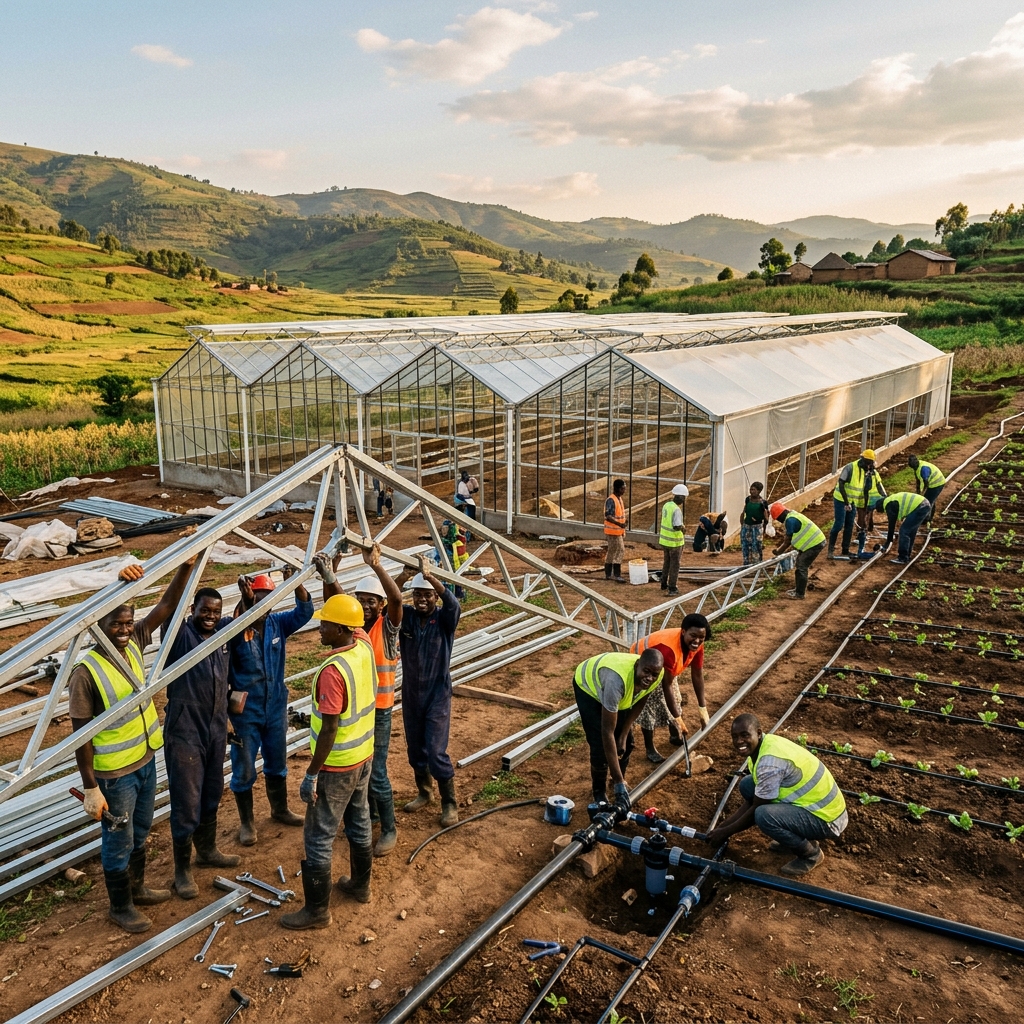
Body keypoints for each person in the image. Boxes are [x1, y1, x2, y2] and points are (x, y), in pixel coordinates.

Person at [69, 559, 196, 932]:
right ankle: (119, 905)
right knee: (117, 838)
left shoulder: (135, 643)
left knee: (140, 829)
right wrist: (90, 786)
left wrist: (185, 568)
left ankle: (137, 888)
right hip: (114, 775)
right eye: (116, 625)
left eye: (128, 623)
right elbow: (82, 735)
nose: (124, 630)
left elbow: (167, 606)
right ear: (100, 628)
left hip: (144, 760)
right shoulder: (85, 672)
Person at [280, 594, 377, 930]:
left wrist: (311, 772)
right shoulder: (362, 646)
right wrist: (330, 579)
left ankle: (317, 912)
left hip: (337, 765)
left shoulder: (333, 672)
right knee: (359, 820)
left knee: (319, 835)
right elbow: (351, 614)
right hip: (364, 755)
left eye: (325, 623)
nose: (319, 628)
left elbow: (331, 726)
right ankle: (360, 887)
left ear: (340, 628)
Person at [228, 556, 335, 846]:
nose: (263, 605)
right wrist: (245, 602)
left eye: (268, 600)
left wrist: (296, 583)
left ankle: (279, 809)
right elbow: (229, 642)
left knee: (277, 762)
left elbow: (304, 612)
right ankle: (247, 823)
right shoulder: (235, 628)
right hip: (245, 714)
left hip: (275, 708)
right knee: (245, 769)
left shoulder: (277, 624)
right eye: (258, 599)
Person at [164, 584, 241, 901]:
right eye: (204, 610)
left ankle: (206, 849)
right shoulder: (180, 637)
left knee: (211, 790)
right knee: (187, 799)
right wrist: (184, 575)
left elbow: (246, 618)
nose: (210, 616)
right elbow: (168, 610)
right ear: (192, 610)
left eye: (215, 612)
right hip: (186, 728)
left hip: (215, 725)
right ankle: (182, 871)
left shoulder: (222, 635)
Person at [705, 713, 847, 876]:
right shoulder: (764, 746)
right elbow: (751, 801)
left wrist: (726, 832)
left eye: (745, 735)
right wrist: (722, 828)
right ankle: (791, 839)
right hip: (813, 806)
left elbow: (755, 808)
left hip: (827, 818)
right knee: (748, 784)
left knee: (763, 816)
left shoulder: (769, 763)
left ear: (758, 733)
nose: (739, 742)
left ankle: (810, 854)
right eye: (735, 736)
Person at [396, 555, 461, 827]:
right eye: (417, 595)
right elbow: (391, 602)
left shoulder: (444, 620)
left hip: (437, 694)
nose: (421, 600)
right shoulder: (407, 618)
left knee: (436, 750)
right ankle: (425, 792)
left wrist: (431, 576)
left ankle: (449, 803)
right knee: (415, 749)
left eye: (427, 595)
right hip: (411, 694)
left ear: (435, 597)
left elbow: (454, 603)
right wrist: (402, 576)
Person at [572, 648, 682, 808]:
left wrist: (623, 736)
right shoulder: (616, 682)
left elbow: (640, 701)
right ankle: (599, 792)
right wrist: (619, 783)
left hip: (618, 688)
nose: (649, 678)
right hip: (588, 687)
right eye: (646, 671)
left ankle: (618, 779)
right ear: (638, 665)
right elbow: (607, 731)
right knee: (599, 745)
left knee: (626, 743)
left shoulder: (657, 676)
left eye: (654, 674)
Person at [353, 543, 403, 857]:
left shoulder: (387, 629)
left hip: (380, 710)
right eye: (361, 601)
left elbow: (398, 598)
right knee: (362, 769)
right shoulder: (355, 628)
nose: (365, 606)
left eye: (370, 601)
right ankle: (370, 815)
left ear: (380, 604)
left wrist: (376, 566)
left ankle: (389, 829)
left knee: (378, 772)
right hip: (359, 710)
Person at [630, 613, 711, 763]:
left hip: (666, 668)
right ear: (683, 632)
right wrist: (677, 718)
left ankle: (675, 735)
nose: (697, 641)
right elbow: (666, 685)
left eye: (701, 637)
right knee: (650, 708)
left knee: (676, 699)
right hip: (644, 668)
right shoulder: (669, 650)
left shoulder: (696, 643)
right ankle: (650, 748)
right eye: (693, 636)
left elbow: (697, 674)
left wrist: (702, 708)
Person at [829, 450, 878, 561]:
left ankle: (845, 550)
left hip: (852, 501)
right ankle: (830, 551)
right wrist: (846, 502)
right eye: (868, 463)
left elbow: (863, 490)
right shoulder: (850, 467)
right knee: (839, 524)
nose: (869, 466)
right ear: (863, 460)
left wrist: (861, 506)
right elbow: (841, 483)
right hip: (841, 499)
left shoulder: (865, 471)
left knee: (849, 525)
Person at [770, 502, 825, 600]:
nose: (779, 521)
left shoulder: (790, 521)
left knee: (801, 566)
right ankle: (798, 589)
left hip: (814, 544)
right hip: (815, 542)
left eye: (778, 519)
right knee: (800, 564)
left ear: (780, 516)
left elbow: (787, 541)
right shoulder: (793, 515)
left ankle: (800, 594)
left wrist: (778, 552)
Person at [875, 491, 931, 564]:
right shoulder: (891, 499)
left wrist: (888, 541)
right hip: (924, 504)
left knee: (904, 531)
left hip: (919, 507)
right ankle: (907, 554)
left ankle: (902, 557)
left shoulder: (889, 505)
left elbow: (891, 525)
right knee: (911, 531)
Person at [659, 483, 688, 595]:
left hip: (664, 541)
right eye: (683, 498)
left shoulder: (666, 505)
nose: (684, 501)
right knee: (675, 564)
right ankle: (672, 587)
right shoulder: (676, 510)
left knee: (667, 562)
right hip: (674, 543)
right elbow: (676, 526)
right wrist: (683, 528)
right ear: (680, 497)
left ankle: (663, 583)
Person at [604, 478, 628, 583]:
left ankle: (609, 574)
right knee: (620, 550)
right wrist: (620, 524)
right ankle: (616, 574)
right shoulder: (611, 500)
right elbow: (608, 516)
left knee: (612, 551)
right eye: (623, 488)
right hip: (613, 532)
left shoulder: (618, 499)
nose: (624, 490)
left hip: (617, 531)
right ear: (617, 488)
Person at [908, 454, 945, 521]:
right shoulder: (916, 467)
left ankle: (927, 519)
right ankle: (927, 516)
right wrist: (918, 492)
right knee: (928, 498)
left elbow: (926, 483)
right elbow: (918, 481)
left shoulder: (923, 469)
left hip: (937, 483)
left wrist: (923, 493)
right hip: (931, 483)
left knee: (928, 501)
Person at [740, 483, 769, 565]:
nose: (752, 491)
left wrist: (764, 529)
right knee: (745, 544)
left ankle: (756, 564)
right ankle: (746, 563)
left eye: (754, 490)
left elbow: (766, 517)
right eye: (751, 489)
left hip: (757, 527)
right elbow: (744, 511)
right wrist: (742, 525)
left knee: (756, 545)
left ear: (759, 491)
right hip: (747, 526)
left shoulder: (762, 503)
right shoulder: (748, 500)